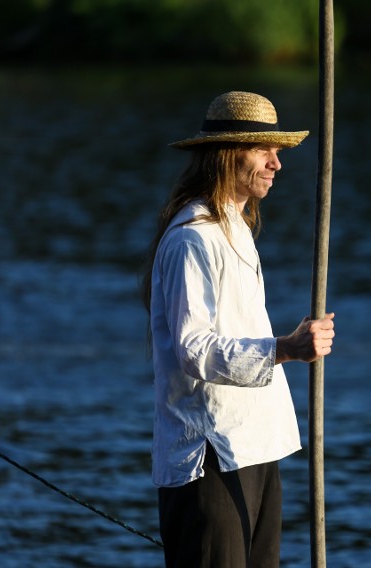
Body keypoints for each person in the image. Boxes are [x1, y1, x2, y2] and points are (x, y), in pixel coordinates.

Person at [141, 90, 335, 568]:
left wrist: (284, 349)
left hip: (254, 444)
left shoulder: (236, 227)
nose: (277, 164)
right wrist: (284, 349)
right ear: (230, 154)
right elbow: (194, 349)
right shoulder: (193, 238)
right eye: (263, 150)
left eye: (279, 152)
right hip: (210, 455)